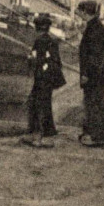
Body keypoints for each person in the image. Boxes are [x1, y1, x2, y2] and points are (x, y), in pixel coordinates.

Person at [22, 13, 65, 147]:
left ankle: (38, 137)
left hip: (42, 77)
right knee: (44, 104)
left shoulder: (40, 41)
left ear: (37, 28)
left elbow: (37, 60)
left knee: (36, 105)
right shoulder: (52, 40)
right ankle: (47, 134)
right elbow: (56, 61)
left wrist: (30, 58)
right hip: (50, 77)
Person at [76, 1, 104, 148]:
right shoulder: (94, 26)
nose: (78, 13)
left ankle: (98, 137)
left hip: (94, 75)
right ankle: (91, 133)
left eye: (79, 10)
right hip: (96, 74)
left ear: (85, 12)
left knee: (94, 105)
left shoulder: (94, 28)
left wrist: (86, 74)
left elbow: (95, 56)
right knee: (92, 104)